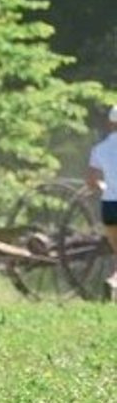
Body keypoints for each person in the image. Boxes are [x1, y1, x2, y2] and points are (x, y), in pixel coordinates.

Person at [85, 105, 117, 293]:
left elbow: (91, 182)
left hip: (110, 207)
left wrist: (106, 187)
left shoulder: (99, 148)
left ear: (110, 123)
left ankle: (114, 282)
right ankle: (114, 281)